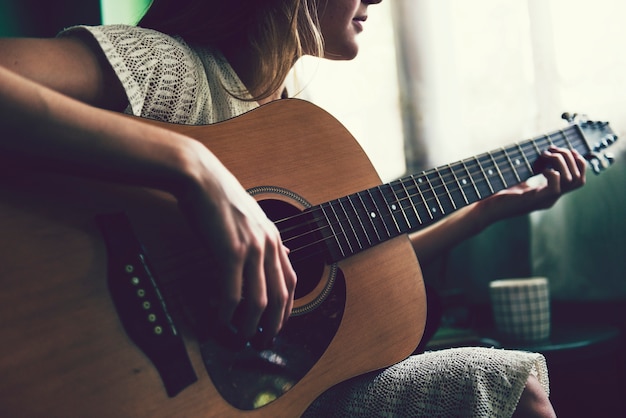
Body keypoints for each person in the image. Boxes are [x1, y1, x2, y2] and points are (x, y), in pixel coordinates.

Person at [0, 0, 586, 416]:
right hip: (103, 368)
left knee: (512, 389)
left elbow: (346, 274)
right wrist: (194, 169)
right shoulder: (170, 69)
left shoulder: (289, 124)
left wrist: (485, 212)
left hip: (259, 393)